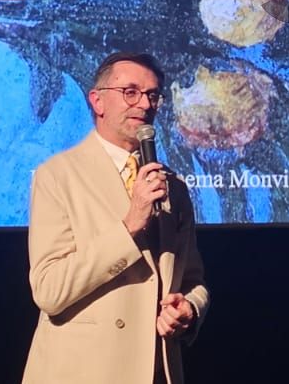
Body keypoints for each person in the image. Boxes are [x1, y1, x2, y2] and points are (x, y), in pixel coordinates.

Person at [22, 51, 210, 384]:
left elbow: (194, 280)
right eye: (130, 92)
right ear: (97, 101)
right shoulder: (58, 176)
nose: (144, 104)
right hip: (84, 371)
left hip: (154, 371)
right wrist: (128, 226)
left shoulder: (174, 188)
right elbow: (49, 290)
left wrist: (190, 309)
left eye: (152, 95)